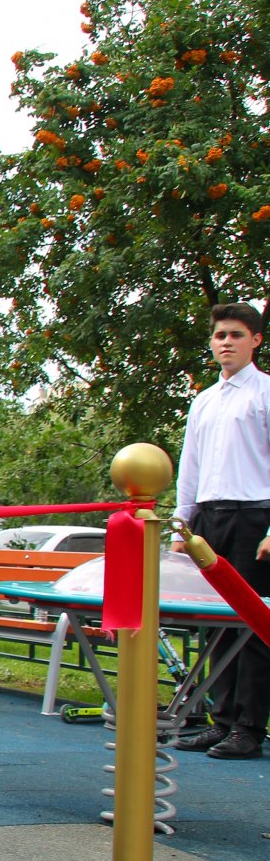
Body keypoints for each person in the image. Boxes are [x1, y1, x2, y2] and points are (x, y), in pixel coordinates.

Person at [173, 302, 270, 760]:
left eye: (235, 334)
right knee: (216, 624)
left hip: (255, 515)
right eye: (219, 335)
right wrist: (183, 523)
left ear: (256, 340)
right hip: (209, 519)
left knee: (250, 622)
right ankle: (222, 718)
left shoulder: (265, 393)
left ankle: (250, 726)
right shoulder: (204, 400)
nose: (226, 342)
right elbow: (190, 467)